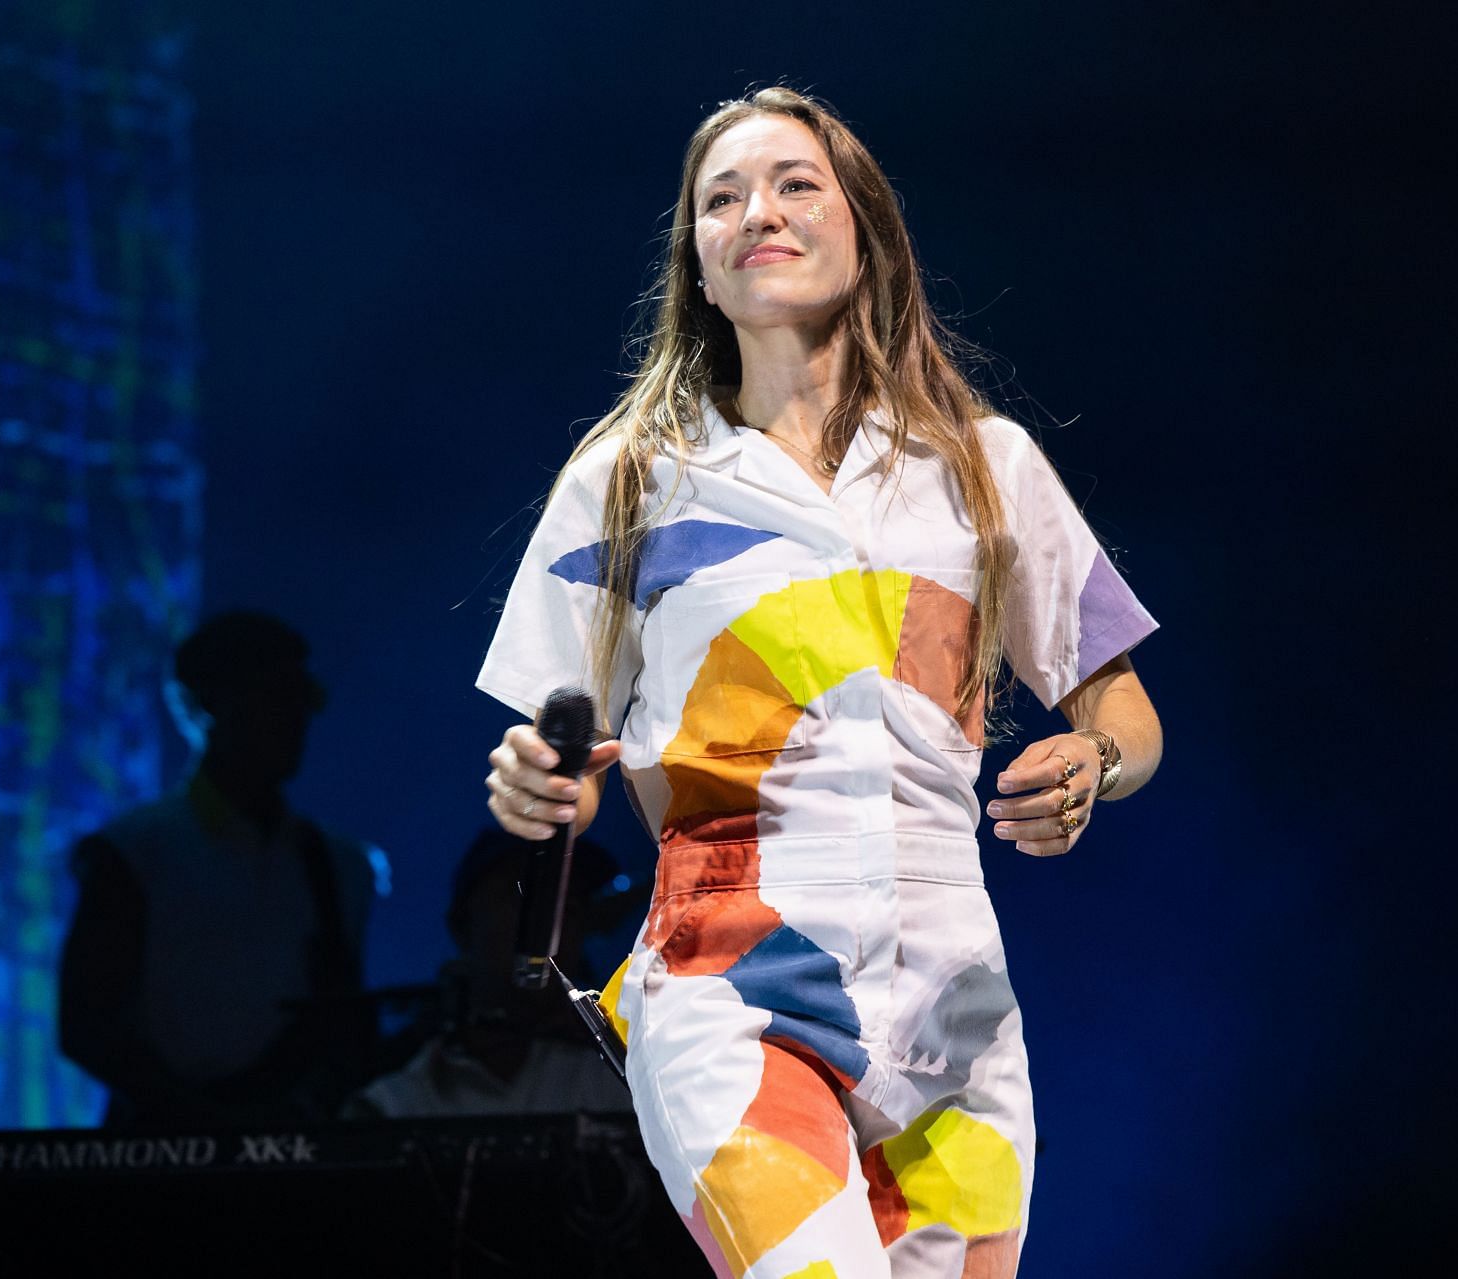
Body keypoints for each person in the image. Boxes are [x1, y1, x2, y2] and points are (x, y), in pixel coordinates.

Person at [476, 88, 1163, 1279]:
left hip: (957, 996)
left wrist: (1091, 762)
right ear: (695, 256)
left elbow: (1124, 710)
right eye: (722, 197)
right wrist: (539, 787)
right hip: (729, 971)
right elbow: (564, 759)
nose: (760, 212)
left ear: (866, 229)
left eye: (797, 184)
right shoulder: (628, 481)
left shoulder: (983, 466)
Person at [58, 610, 382, 1127]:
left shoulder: (340, 866)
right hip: (159, 1161)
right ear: (208, 702)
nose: (295, 718)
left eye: (298, 698)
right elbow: (88, 1027)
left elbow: (347, 1027)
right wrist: (204, 1119)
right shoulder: (133, 851)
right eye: (273, 696)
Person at [357, 828, 637, 1118]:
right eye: (523, 896)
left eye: (571, 906)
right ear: (463, 925)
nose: (552, 923)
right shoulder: (392, 1103)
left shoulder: (622, 1080)